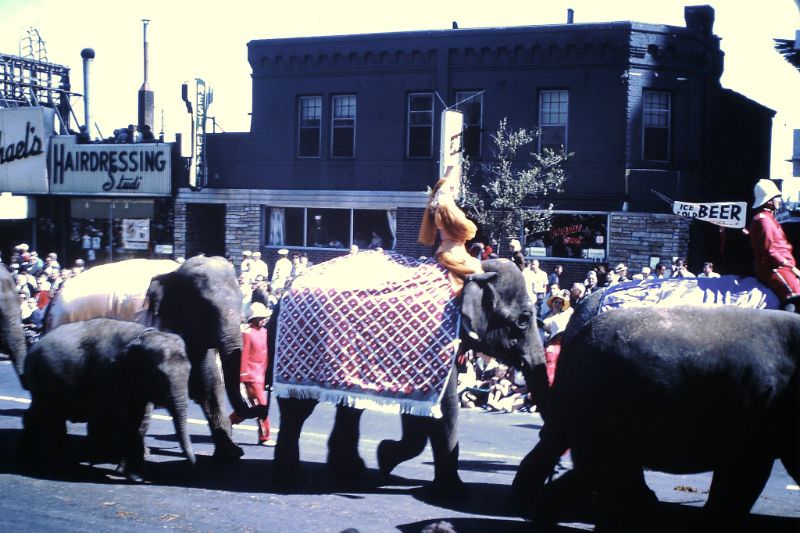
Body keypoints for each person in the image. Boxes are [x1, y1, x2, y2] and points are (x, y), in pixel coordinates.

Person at [418, 167, 483, 292]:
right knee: (476, 272)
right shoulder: (446, 207)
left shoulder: (440, 206)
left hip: (449, 249)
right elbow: (468, 230)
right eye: (453, 187)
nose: (455, 190)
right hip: (453, 252)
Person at [749, 178, 800, 311]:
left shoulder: (770, 219)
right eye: (777, 197)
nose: (780, 200)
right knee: (795, 294)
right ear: (769, 200)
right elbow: (770, 251)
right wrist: (791, 268)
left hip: (783, 266)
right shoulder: (763, 220)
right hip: (774, 268)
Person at [229, 302, 275, 446]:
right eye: (260, 317)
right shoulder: (247, 333)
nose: (263, 319)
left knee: (253, 407)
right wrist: (243, 375)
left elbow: (265, 355)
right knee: (261, 405)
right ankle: (265, 437)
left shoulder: (264, 332)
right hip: (251, 375)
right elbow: (244, 355)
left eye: (264, 317)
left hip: (261, 374)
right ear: (253, 318)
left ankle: (228, 422)